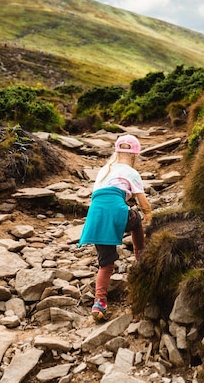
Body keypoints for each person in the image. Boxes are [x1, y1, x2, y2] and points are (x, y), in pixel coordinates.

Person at [78, 134, 152, 321]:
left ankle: (99, 303)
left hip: (96, 216)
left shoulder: (104, 170)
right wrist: (149, 215)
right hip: (116, 211)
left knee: (106, 264)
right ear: (136, 155)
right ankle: (140, 254)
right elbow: (142, 201)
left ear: (116, 152)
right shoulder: (131, 172)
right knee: (135, 218)